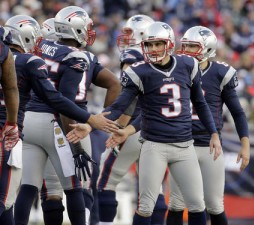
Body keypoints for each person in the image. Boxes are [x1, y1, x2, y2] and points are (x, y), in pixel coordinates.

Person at [67, 21, 222, 225]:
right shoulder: (139, 71)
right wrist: (90, 125)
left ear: (169, 43)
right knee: (146, 205)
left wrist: (214, 133)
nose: (153, 49)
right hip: (154, 146)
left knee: (197, 204)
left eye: (158, 44)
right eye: (149, 45)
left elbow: (200, 103)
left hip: (185, 146)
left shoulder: (188, 65)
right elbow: (119, 106)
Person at [7, 12, 116, 225]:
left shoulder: (41, 47)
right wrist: (76, 146)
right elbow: (65, 101)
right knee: (75, 188)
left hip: (28, 120)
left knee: (28, 188)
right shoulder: (78, 57)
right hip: (57, 123)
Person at [37, 14, 121, 225]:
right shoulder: (87, 58)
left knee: (52, 192)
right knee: (81, 186)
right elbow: (115, 84)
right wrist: (98, 120)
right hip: (79, 121)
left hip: (48, 120)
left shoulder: (42, 52)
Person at [166, 26, 250, 225]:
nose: (186, 51)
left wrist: (245, 144)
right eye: (184, 46)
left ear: (208, 49)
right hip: (181, 143)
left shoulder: (220, 73)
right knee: (177, 202)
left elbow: (237, 112)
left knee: (214, 204)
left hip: (209, 145)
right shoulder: (175, 68)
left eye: (192, 47)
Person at [97, 14, 168, 225]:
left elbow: (129, 93)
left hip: (134, 127)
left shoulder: (133, 55)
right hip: (158, 128)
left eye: (129, 33)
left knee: (105, 183)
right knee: (154, 189)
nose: (126, 38)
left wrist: (120, 126)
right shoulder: (163, 58)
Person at [0, 25, 20, 224]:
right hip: (5, 128)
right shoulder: (5, 52)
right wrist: (12, 123)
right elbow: (11, 88)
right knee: (4, 198)